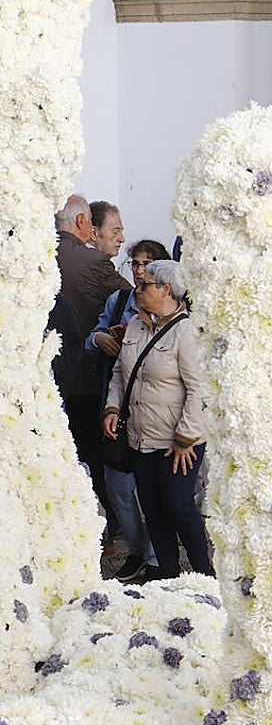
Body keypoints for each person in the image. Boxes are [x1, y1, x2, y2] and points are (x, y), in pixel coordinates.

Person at [101, 261, 211, 580]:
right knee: (154, 510)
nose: (138, 288)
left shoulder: (186, 330)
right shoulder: (136, 325)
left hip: (177, 443)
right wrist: (112, 408)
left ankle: (204, 573)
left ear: (165, 289)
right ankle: (167, 574)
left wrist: (185, 438)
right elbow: (121, 375)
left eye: (144, 285)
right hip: (139, 437)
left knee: (178, 506)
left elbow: (198, 388)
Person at [88, 239, 171, 582]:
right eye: (135, 264)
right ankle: (136, 549)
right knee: (119, 486)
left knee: (153, 491)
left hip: (156, 416)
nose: (139, 271)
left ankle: (155, 559)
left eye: (146, 264)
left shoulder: (174, 312)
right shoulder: (119, 300)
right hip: (120, 410)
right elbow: (93, 335)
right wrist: (99, 339)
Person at [50, 195, 129, 528]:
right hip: (84, 374)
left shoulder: (42, 253)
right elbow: (135, 299)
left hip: (47, 373)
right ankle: (106, 524)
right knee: (92, 452)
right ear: (84, 223)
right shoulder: (91, 262)